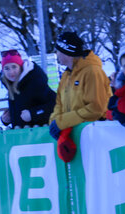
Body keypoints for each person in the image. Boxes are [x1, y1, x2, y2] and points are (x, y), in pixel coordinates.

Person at [48, 30, 112, 163]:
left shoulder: (92, 72)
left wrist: (62, 122)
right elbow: (59, 104)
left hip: (97, 138)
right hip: (75, 139)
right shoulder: (66, 75)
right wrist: (54, 122)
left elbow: (96, 109)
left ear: (68, 52)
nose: (57, 54)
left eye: (58, 51)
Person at [0, 49, 56, 129]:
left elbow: (55, 105)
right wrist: (7, 118)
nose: (11, 72)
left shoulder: (35, 81)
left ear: (21, 67)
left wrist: (33, 114)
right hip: (23, 137)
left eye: (14, 67)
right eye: (7, 68)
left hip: (41, 136)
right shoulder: (12, 85)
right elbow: (24, 106)